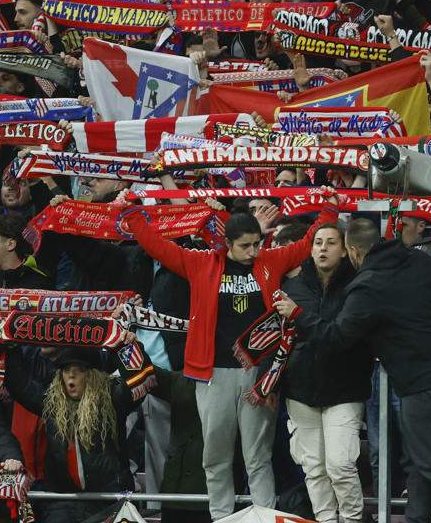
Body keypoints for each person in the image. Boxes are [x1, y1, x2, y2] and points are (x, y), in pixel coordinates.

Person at [121, 206, 331, 519]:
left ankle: (263, 516)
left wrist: (327, 210)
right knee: (214, 456)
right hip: (213, 374)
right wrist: (135, 217)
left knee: (257, 456)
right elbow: (159, 248)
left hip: (258, 376)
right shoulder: (202, 263)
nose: (253, 251)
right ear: (227, 243)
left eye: (257, 243)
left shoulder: (270, 261)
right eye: (245, 245)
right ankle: (220, 516)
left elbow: (305, 245)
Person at [275, 214, 431, 523]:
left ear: (351, 251)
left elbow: (336, 337)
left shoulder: (368, 286)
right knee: (419, 463)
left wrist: (299, 314)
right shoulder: (420, 261)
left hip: (423, 380)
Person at [281, 221, 368, 523]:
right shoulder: (293, 287)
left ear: (345, 250)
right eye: (318, 242)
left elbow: (340, 336)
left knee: (341, 465)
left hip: (345, 388)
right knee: (314, 467)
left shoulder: (358, 287)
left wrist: (299, 315)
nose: (323, 248)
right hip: (300, 389)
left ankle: (352, 519)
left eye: (331, 242)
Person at [2, 346, 133, 523]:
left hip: (108, 500)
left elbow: (139, 378)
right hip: (63, 501)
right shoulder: (52, 403)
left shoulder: (112, 399)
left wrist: (126, 346)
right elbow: (18, 384)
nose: (71, 376)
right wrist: (11, 347)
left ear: (93, 375)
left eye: (79, 370)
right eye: (66, 370)